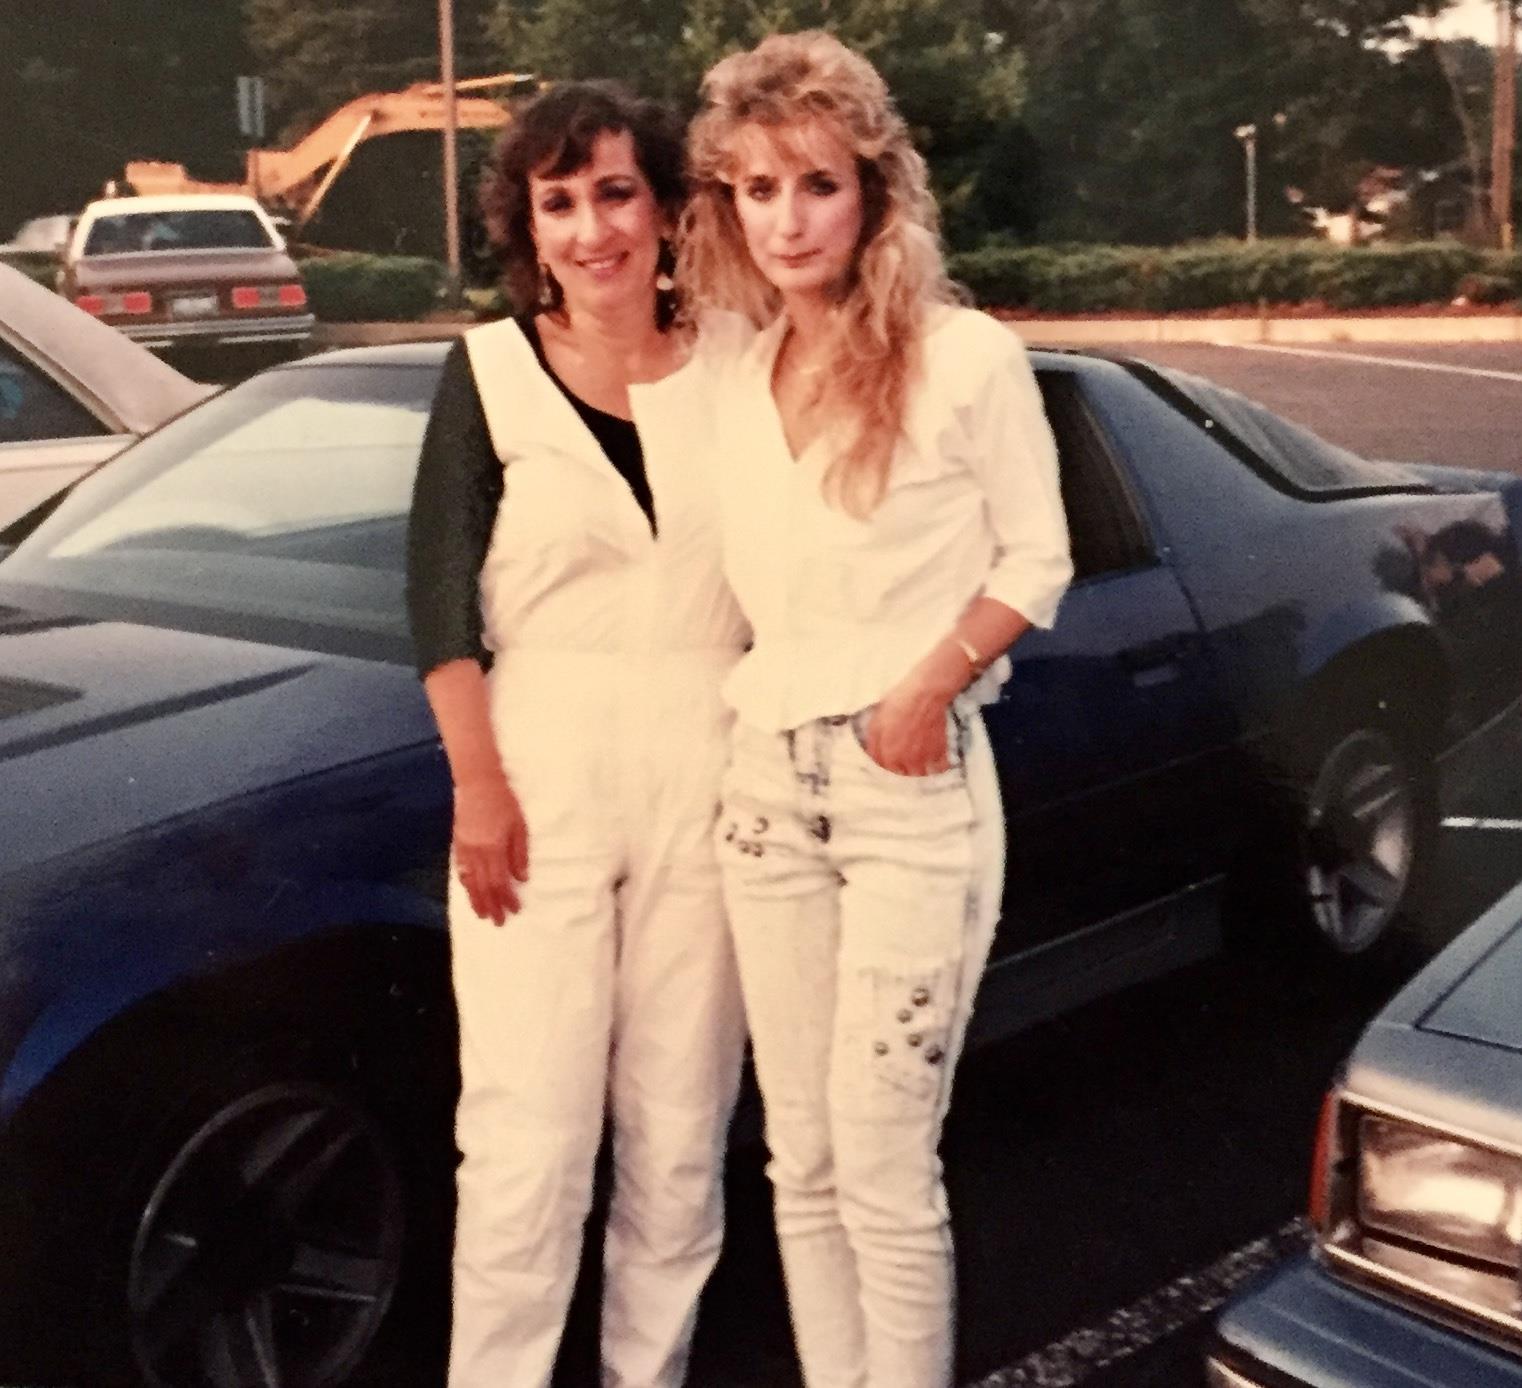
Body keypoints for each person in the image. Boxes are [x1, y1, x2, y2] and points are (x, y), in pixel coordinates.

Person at [679, 32, 1074, 1388]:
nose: (785, 219)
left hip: (905, 790)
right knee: (802, 1157)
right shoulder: (733, 372)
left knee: (886, 1160)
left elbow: (1036, 559)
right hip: (762, 794)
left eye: (815, 184)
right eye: (754, 188)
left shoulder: (964, 358)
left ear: (873, 192)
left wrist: (924, 687)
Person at [405, 81, 751, 1388]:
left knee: (677, 1135)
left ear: (665, 206)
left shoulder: (740, 360)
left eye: (616, 192)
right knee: (525, 1141)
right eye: (560, 202)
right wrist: (477, 786)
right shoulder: (486, 369)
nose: (591, 227)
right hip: (533, 777)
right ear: (527, 225)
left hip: (714, 779)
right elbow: (438, 595)